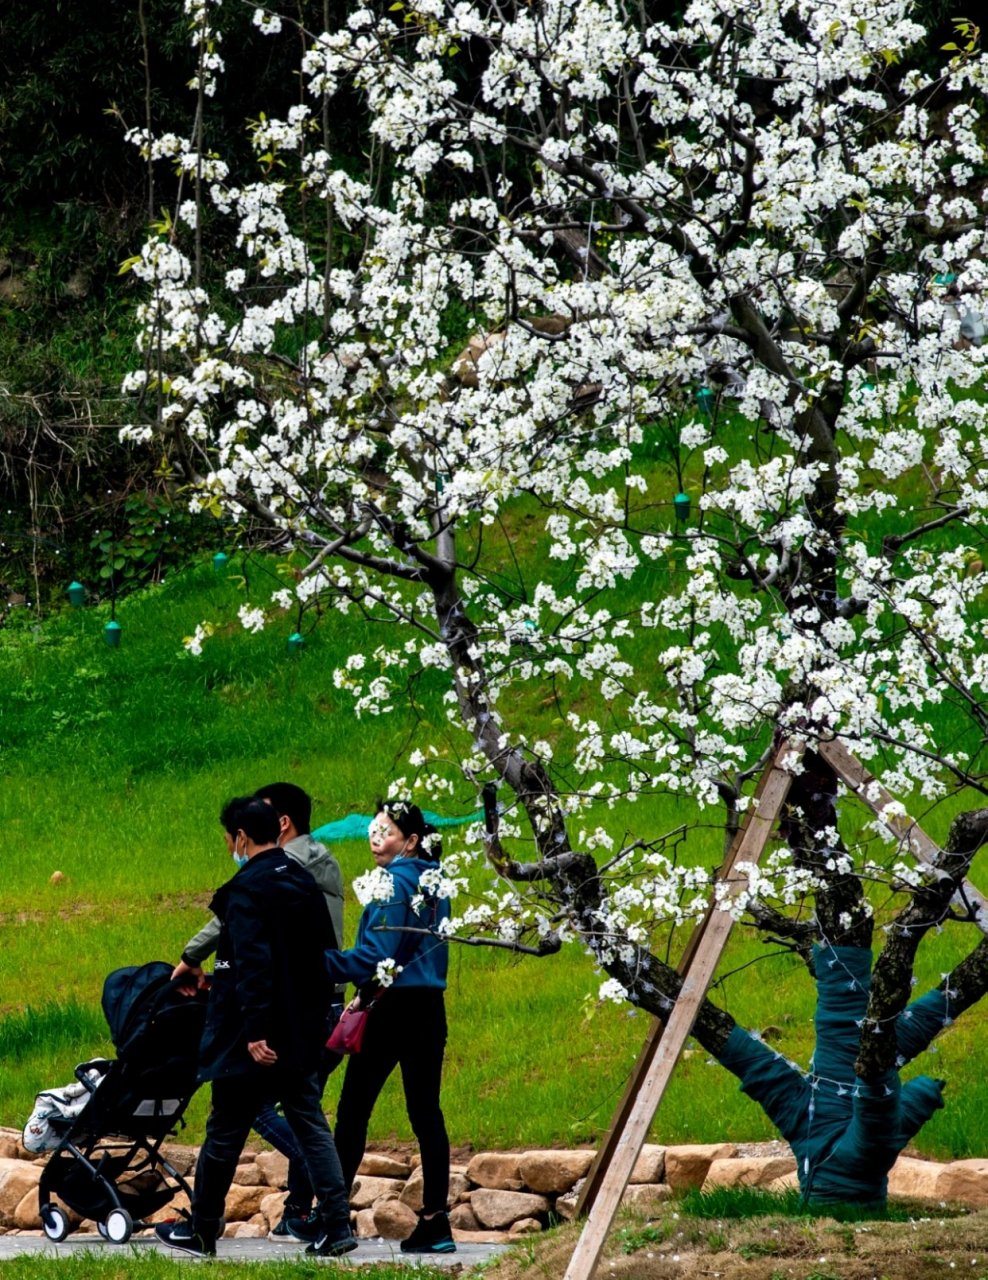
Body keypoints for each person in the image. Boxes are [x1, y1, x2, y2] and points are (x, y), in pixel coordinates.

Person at [155, 796, 355, 1259]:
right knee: (309, 1121)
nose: (230, 846)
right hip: (302, 1029)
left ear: (242, 837)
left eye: (229, 839)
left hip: (252, 1037)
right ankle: (337, 1225)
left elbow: (251, 964)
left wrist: (255, 1031)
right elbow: (322, 955)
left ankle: (203, 1230)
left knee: (224, 1131)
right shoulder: (303, 881)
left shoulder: (245, 891)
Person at [289, 799, 455, 1255]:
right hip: (428, 1006)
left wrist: (318, 963)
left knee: (353, 1112)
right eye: (373, 829)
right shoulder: (435, 883)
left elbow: (376, 956)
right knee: (426, 1113)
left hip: (392, 1010)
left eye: (386, 831)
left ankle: (333, 1221)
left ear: (411, 841)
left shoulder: (390, 884)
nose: (374, 838)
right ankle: (437, 1224)